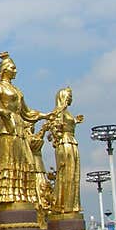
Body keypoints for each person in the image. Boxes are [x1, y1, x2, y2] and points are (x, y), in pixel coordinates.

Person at [0, 52, 49, 208]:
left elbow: (27, 113)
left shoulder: (16, 90)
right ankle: (8, 197)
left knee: (25, 161)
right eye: (12, 67)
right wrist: (1, 111)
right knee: (9, 161)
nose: (15, 70)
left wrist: (46, 115)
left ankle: (22, 195)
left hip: (20, 128)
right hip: (6, 129)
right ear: (4, 70)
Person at [46, 87, 83, 215]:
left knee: (73, 175)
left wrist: (75, 121)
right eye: (69, 95)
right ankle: (63, 205)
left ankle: (72, 205)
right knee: (66, 174)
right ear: (63, 96)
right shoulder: (58, 112)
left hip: (72, 142)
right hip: (65, 144)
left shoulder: (67, 112)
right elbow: (51, 132)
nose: (71, 98)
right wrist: (58, 131)